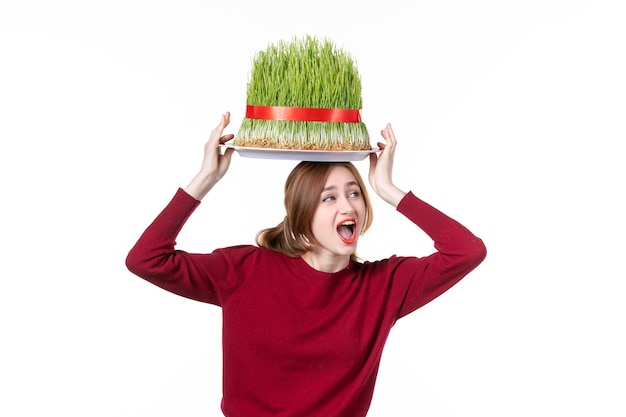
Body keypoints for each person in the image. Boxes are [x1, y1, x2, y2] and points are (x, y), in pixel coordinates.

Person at [126, 112, 487, 417]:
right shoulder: (245, 270)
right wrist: (204, 179)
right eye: (328, 198)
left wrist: (388, 188)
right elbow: (146, 259)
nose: (347, 206)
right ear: (302, 215)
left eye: (354, 193)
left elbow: (466, 251)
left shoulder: (384, 285)